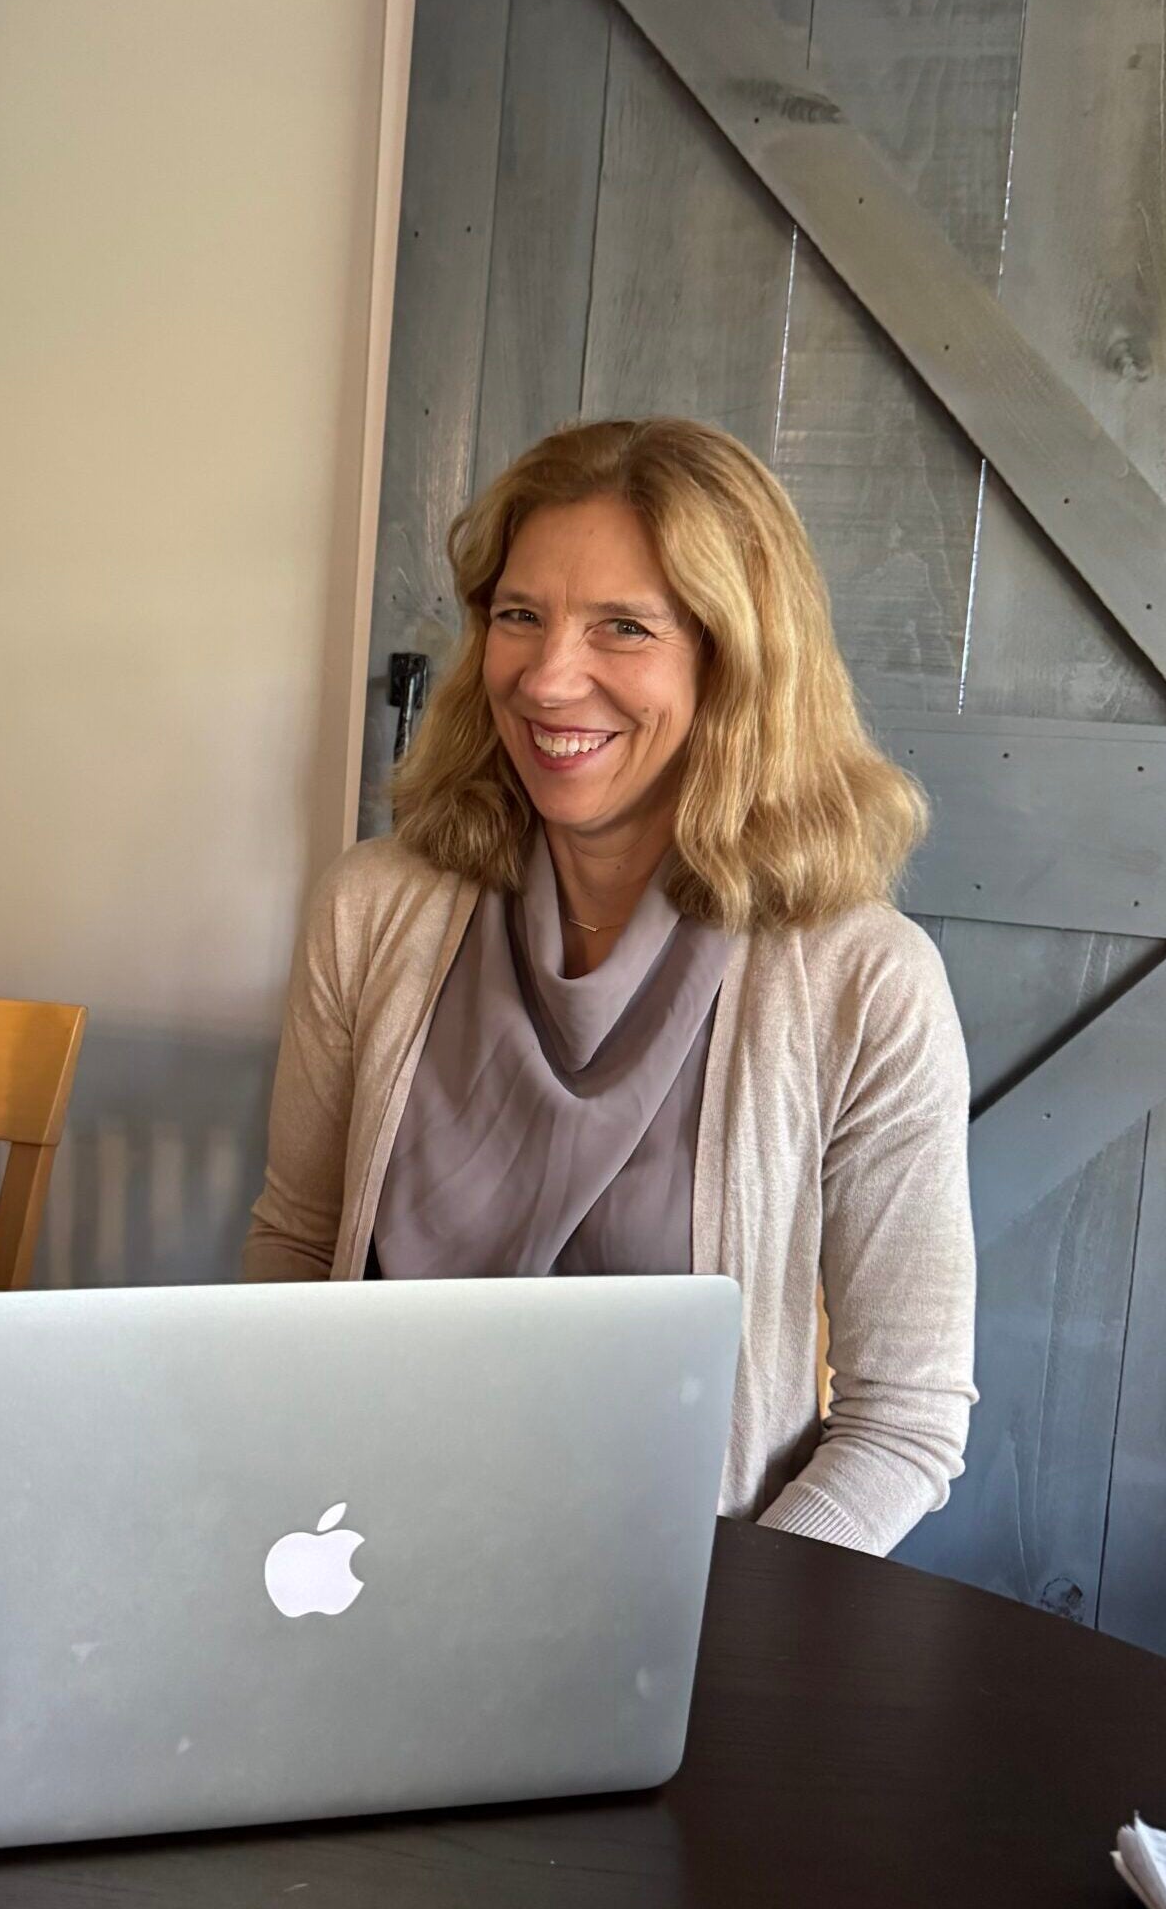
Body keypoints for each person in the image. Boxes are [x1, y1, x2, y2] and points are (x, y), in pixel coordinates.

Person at [243, 416, 977, 1556]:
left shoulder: (865, 984)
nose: (546, 678)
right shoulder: (374, 907)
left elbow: (906, 1421)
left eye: (623, 628)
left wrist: (728, 1638)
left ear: (735, 666)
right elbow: (295, 1244)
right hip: (357, 1555)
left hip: (691, 1607)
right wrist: (279, 1523)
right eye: (518, 616)